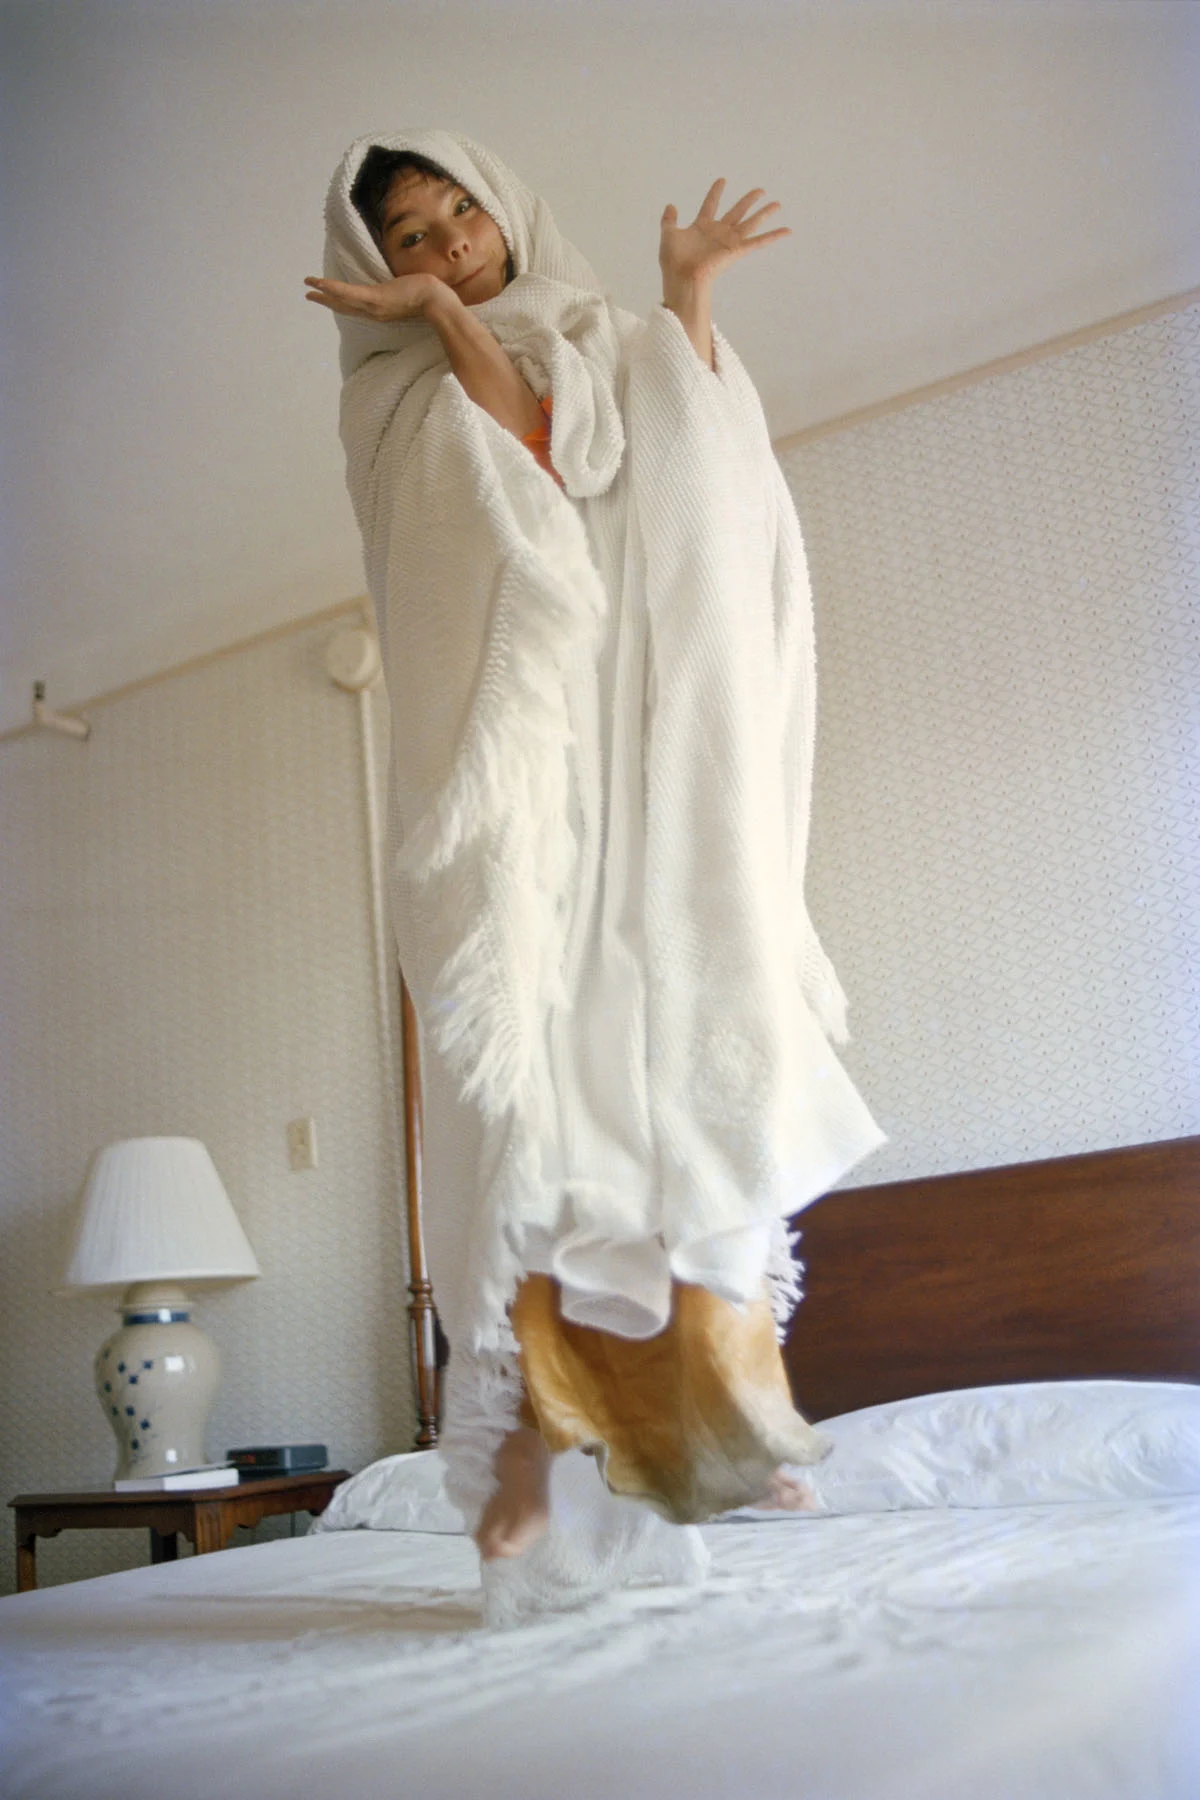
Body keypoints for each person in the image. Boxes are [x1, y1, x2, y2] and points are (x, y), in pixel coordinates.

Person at [307, 133, 885, 1594]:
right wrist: (443, 331)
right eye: (411, 238)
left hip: (654, 757)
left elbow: (695, 482)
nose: (447, 247)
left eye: (459, 216)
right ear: (375, 265)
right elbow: (522, 472)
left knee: (691, 1078)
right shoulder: (390, 409)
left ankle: (728, 1444)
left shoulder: (611, 334)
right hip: (534, 794)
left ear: (504, 207)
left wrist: (685, 298)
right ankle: (543, 1473)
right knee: (551, 1122)